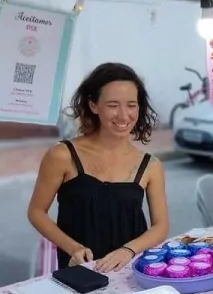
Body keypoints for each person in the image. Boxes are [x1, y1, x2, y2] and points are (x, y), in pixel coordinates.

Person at [28, 62, 169, 271]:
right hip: (79, 270)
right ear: (93, 105)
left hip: (132, 270)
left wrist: (127, 251)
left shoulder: (150, 165)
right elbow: (36, 212)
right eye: (113, 105)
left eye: (131, 105)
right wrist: (72, 247)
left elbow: (160, 226)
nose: (123, 115)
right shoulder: (62, 155)